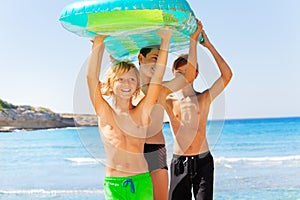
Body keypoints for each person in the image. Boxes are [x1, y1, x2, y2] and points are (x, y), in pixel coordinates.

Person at [86, 29, 171, 200]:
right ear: (110, 84)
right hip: (114, 186)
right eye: (121, 79)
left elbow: (157, 78)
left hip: (140, 182)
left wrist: (165, 42)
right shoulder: (104, 113)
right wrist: (98, 44)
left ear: (137, 86)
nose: (127, 83)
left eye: (132, 79)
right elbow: (91, 78)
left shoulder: (141, 112)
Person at [136, 20, 203, 199]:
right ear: (140, 59)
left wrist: (193, 41)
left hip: (154, 147)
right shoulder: (128, 86)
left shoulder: (162, 89)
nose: (159, 65)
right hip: (131, 148)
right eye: (155, 59)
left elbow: (188, 75)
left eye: (162, 60)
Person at [166, 29, 233, 200]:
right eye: (179, 73)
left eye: (187, 72)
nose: (183, 77)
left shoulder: (204, 99)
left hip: (203, 162)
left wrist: (207, 46)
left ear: (195, 74)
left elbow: (227, 75)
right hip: (179, 162)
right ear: (173, 74)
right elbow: (146, 89)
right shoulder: (168, 101)